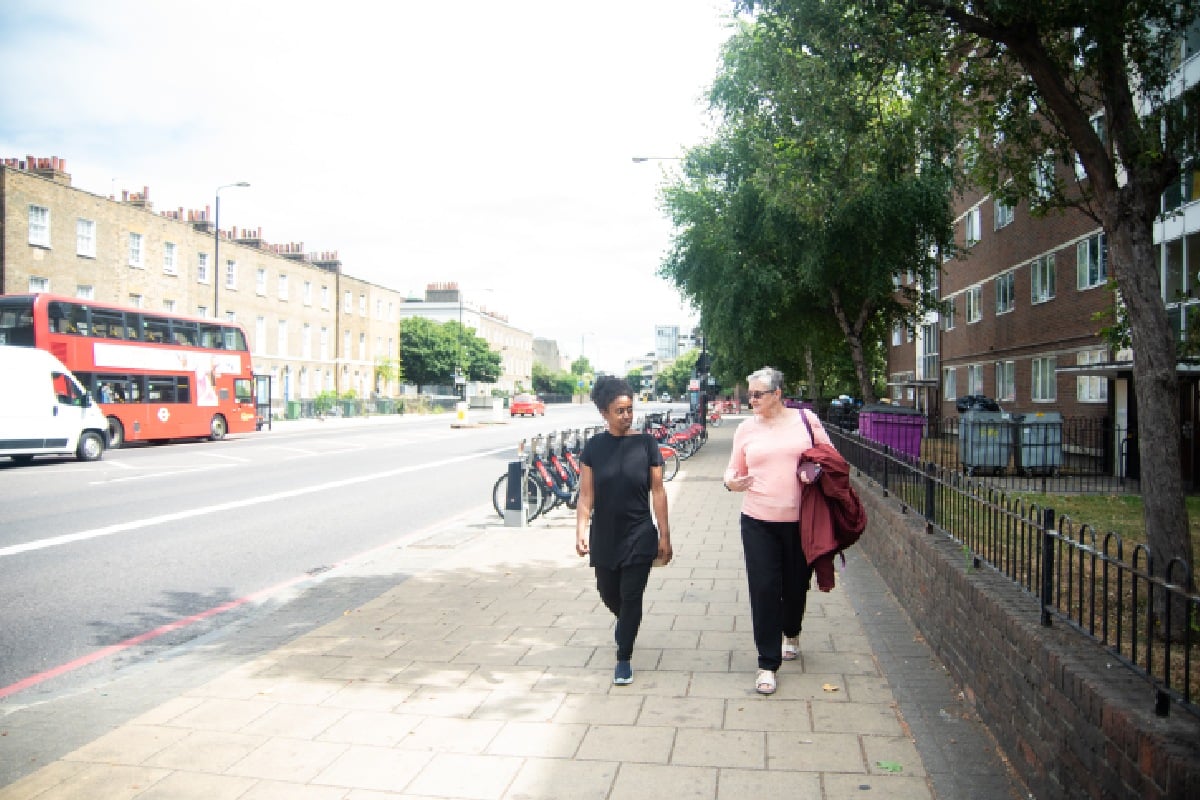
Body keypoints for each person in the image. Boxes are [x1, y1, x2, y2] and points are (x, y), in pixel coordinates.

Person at [723, 366, 831, 696]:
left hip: (801, 521)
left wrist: (813, 470)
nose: (750, 399)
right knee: (764, 588)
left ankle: (792, 631)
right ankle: (767, 664)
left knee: (796, 586)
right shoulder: (745, 428)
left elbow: (831, 457)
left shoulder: (805, 421)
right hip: (757, 520)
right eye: (749, 393)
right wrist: (731, 483)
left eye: (757, 394)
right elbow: (732, 469)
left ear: (777, 395)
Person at [575, 376, 672, 686]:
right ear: (604, 412)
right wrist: (580, 527)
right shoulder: (594, 448)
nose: (627, 415)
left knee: (631, 596)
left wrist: (664, 534)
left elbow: (658, 491)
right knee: (608, 592)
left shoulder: (646, 444)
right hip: (604, 534)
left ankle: (623, 657)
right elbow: (586, 494)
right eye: (619, 411)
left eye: (630, 409)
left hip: (639, 533)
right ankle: (627, 623)